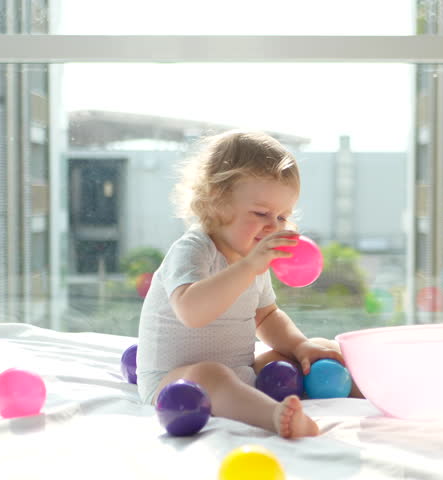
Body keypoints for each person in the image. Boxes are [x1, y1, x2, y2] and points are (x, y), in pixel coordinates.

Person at [136, 130, 358, 439]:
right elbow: (192, 311)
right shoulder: (193, 249)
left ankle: (377, 390)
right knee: (210, 374)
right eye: (261, 213)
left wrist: (299, 345)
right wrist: (249, 266)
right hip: (176, 381)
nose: (273, 225)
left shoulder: (252, 258)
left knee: (320, 350)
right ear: (217, 202)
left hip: (239, 373)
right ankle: (274, 417)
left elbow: (266, 316)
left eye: (282, 216)